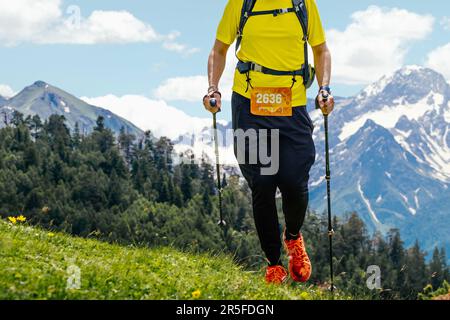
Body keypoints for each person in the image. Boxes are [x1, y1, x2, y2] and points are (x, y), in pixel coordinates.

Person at [203, 0, 335, 284]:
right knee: (262, 183)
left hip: (292, 104)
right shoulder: (241, 4)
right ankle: (273, 264)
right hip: (250, 103)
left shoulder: (302, 4)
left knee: (293, 181)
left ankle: (293, 237)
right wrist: (213, 88)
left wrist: (324, 88)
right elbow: (219, 49)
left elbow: (321, 50)